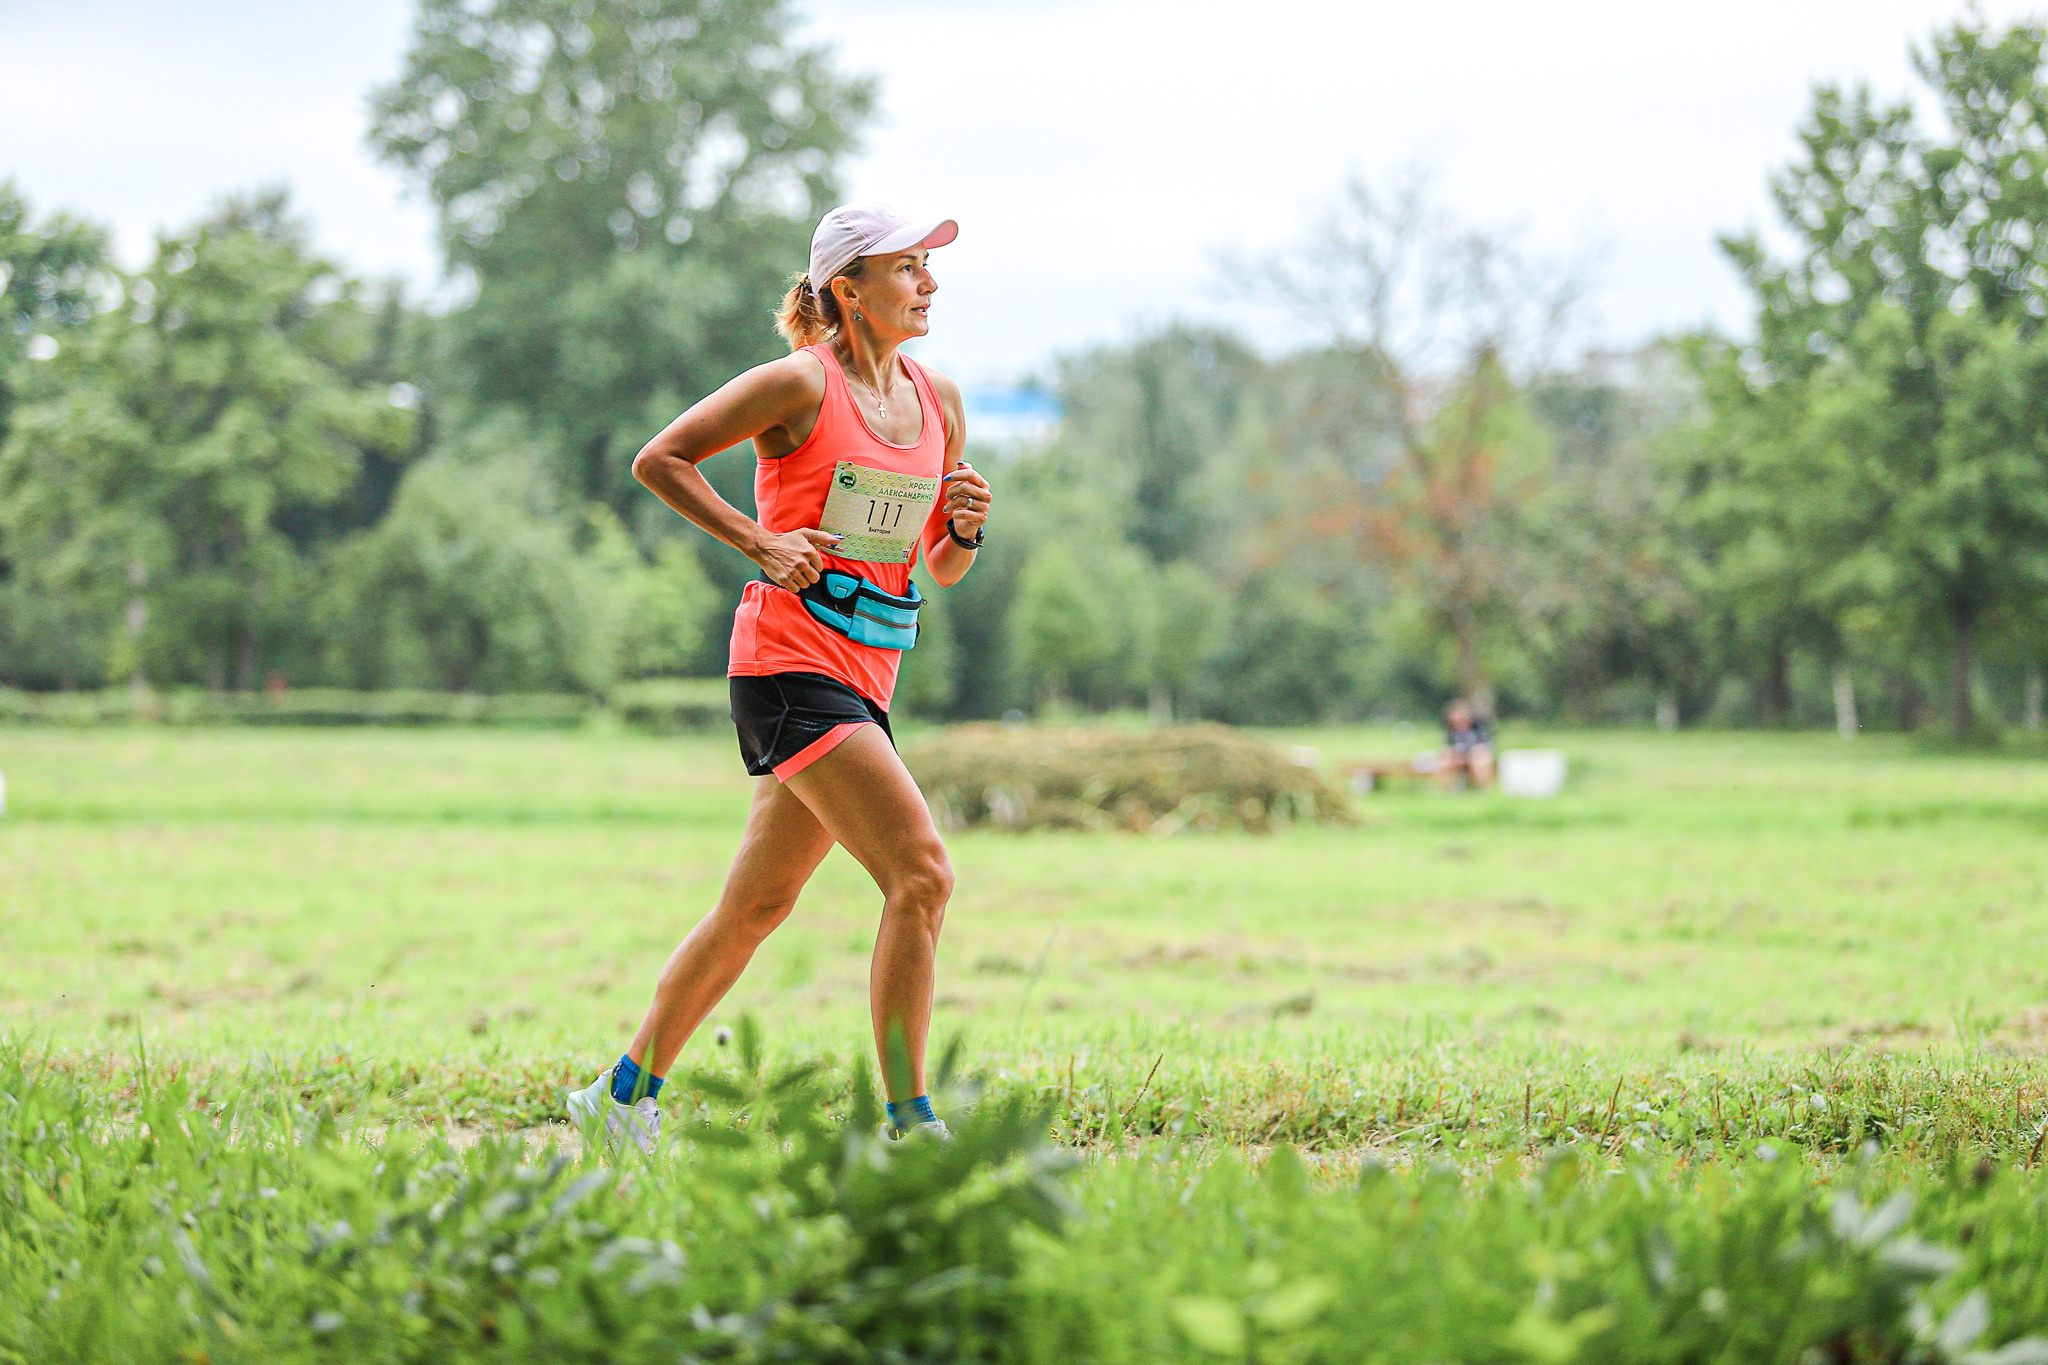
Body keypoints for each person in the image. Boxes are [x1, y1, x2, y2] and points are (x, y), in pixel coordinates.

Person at [567, 203, 990, 1153]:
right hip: (788, 664)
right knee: (921, 874)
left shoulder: (941, 403)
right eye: (907, 267)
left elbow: (941, 566)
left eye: (930, 267)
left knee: (755, 905)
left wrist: (961, 524)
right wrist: (757, 539)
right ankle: (912, 1123)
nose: (928, 283)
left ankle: (621, 1096)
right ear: (848, 289)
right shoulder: (798, 384)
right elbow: (659, 458)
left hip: (870, 668)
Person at [1436, 698, 1494, 791]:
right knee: (1444, 762)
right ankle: (1444, 791)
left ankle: (1483, 790)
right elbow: (1447, 747)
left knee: (1480, 762)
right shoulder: (1450, 732)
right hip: (1457, 757)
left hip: (1476, 756)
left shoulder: (1478, 729)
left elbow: (1483, 747)